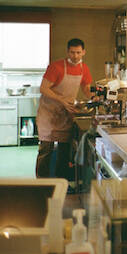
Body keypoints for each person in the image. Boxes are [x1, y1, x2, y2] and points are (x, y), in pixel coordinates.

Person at [36, 38, 94, 178]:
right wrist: (62, 100)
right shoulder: (56, 67)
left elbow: (86, 89)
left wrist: (93, 97)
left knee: (64, 151)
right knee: (46, 150)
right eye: (72, 52)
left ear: (84, 52)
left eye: (78, 52)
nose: (75, 56)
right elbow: (43, 88)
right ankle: (41, 182)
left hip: (65, 114)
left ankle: (61, 181)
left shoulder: (84, 69)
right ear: (67, 52)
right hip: (49, 114)